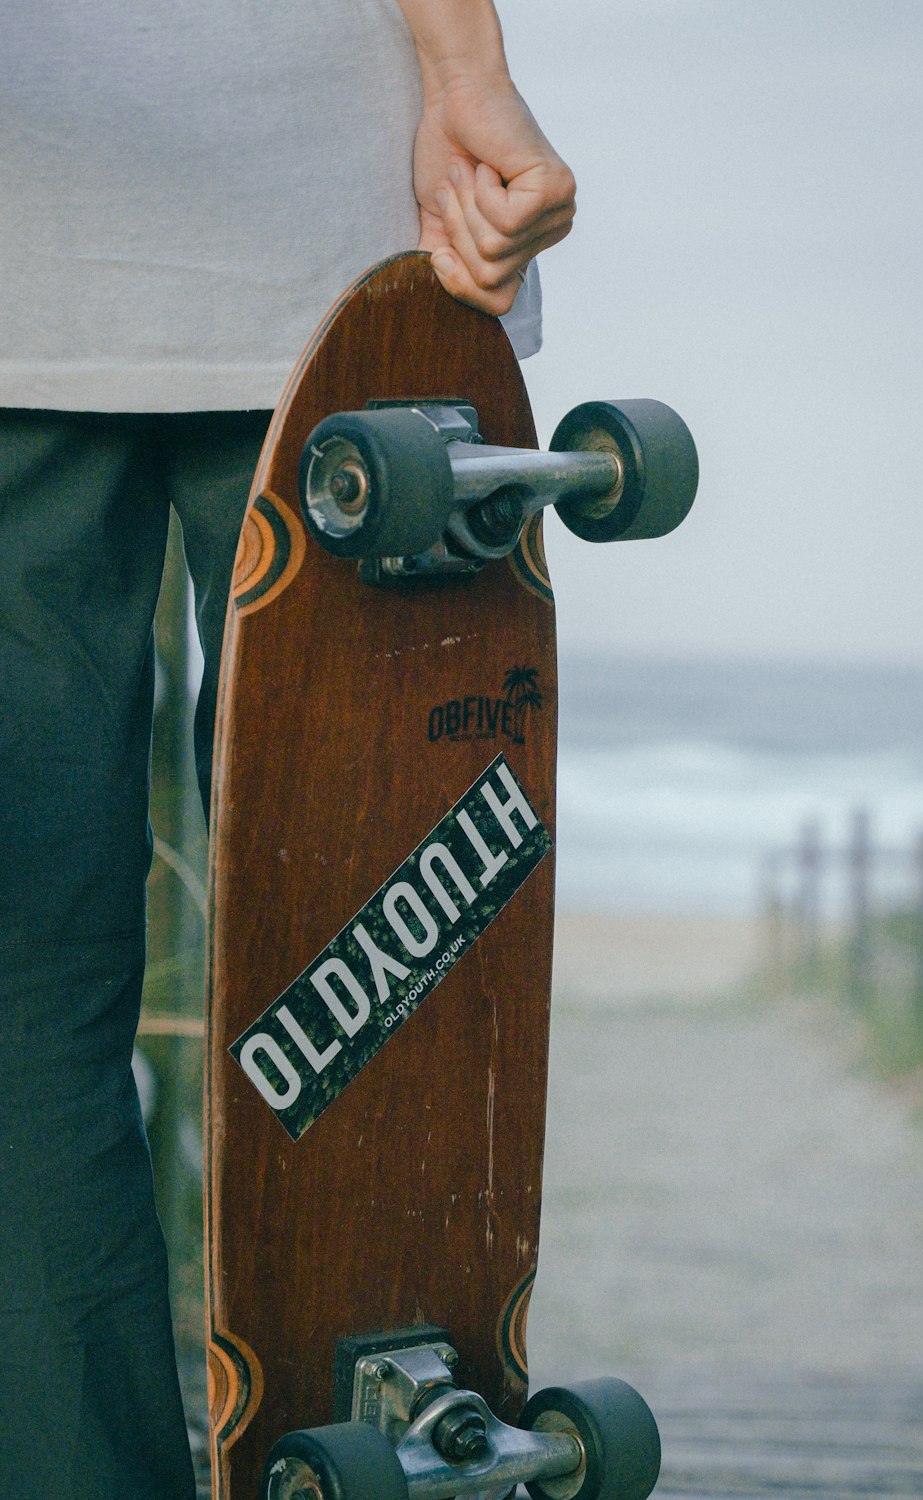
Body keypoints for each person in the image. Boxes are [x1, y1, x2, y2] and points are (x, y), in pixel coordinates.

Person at [0, 2, 575, 1495]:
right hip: (332, 235)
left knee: (23, 1005)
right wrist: (467, 69)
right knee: (375, 977)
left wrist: (467, 76)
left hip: (329, 268)